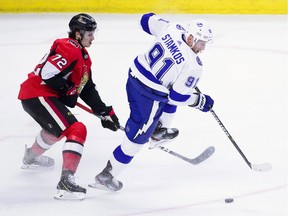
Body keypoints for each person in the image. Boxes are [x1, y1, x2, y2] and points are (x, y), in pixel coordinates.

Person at [89, 13, 214, 192]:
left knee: (169, 93)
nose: (203, 47)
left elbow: (145, 20)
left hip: (133, 78)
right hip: (148, 95)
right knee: (135, 141)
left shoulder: (173, 28)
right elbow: (177, 98)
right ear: (191, 37)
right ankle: (106, 176)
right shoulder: (194, 66)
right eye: (201, 42)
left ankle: (156, 131)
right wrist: (199, 101)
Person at [17, 13, 120, 200]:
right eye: (90, 34)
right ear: (78, 34)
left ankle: (31, 156)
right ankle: (66, 180)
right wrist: (66, 90)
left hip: (39, 96)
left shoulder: (83, 56)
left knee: (56, 131)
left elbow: (87, 88)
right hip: (37, 94)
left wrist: (105, 112)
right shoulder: (69, 47)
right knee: (77, 129)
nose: (93, 37)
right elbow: (47, 73)